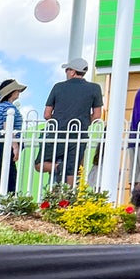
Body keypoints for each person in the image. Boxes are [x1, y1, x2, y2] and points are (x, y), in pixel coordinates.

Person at [39, 57, 103, 186]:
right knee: (72, 170)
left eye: (67, 70)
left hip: (57, 133)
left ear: (73, 72)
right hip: (79, 134)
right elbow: (97, 115)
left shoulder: (58, 87)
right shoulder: (95, 88)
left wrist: (58, 121)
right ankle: (69, 198)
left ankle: (57, 167)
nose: (66, 73)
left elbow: (46, 114)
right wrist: (84, 122)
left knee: (39, 164)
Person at [0, 79, 26, 199]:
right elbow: (7, 127)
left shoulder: (0, 107)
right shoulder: (9, 108)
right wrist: (15, 146)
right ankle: (6, 200)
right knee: (9, 174)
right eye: (16, 90)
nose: (18, 92)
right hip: (5, 143)